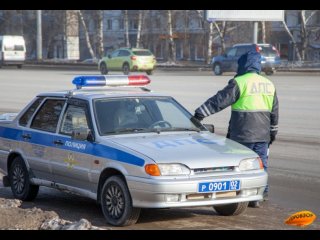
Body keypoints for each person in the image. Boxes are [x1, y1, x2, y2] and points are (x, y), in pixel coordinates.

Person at [193, 50, 279, 208]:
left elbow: (219, 101)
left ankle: (238, 196)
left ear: (243, 64)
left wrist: (199, 114)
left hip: (242, 134)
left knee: (238, 165)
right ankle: (259, 195)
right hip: (263, 134)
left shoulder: (239, 82)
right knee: (261, 165)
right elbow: (274, 112)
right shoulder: (268, 84)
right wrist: (273, 132)